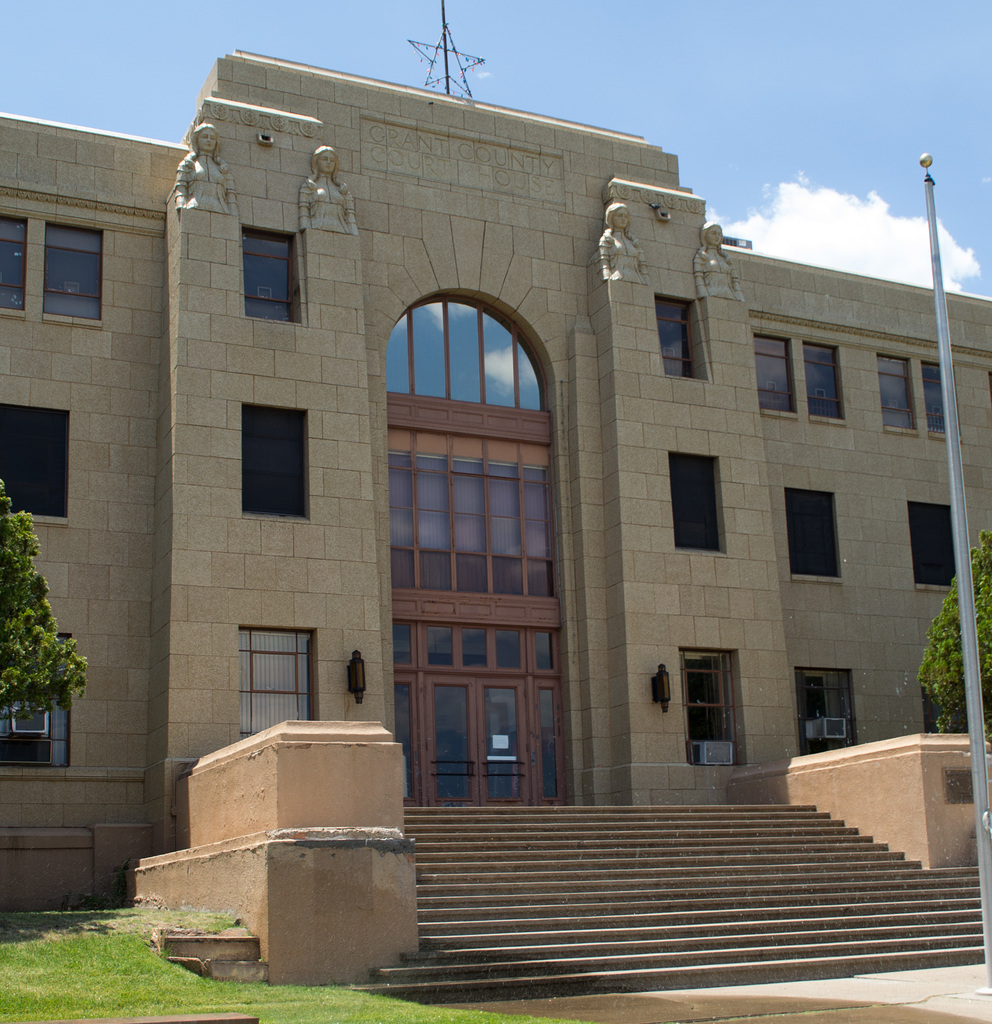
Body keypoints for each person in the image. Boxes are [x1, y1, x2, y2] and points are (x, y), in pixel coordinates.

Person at [172, 123, 237, 216]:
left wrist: (233, 212)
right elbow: (180, 187)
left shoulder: (223, 168)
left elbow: (231, 193)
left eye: (212, 138)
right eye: (204, 137)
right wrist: (181, 205)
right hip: (194, 207)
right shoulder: (187, 164)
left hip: (221, 210)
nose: (208, 140)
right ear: (197, 140)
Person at [299, 146, 358, 235]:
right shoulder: (309, 186)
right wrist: (306, 227)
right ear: (316, 162)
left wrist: (353, 232)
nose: (328, 162)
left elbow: (350, 214)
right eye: (324, 159)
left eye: (332, 160)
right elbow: (304, 211)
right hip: (316, 228)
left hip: (342, 229)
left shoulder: (343, 189)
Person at [693, 221, 744, 301]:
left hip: (730, 295)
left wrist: (739, 296)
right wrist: (703, 294)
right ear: (705, 235)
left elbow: (735, 280)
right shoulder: (701, 256)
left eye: (719, 234)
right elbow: (698, 277)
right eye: (713, 233)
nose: (717, 236)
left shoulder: (726, 258)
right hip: (711, 293)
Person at [598, 202, 647, 284]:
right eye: (619, 215)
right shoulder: (606, 239)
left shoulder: (633, 242)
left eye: (625, 216)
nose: (623, 218)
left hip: (637, 279)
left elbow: (642, 265)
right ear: (611, 218)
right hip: (617, 278)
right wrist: (607, 276)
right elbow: (604, 262)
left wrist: (646, 280)